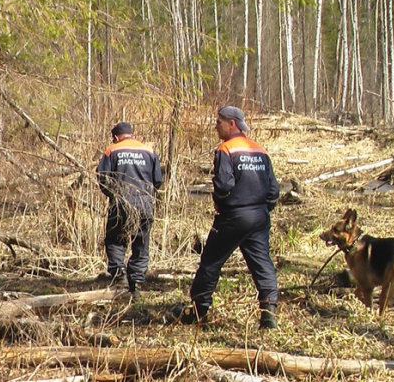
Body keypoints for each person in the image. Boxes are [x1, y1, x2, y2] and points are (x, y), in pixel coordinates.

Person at [173, 106, 280, 329]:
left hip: (233, 216)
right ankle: (268, 312)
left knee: (210, 262)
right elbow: (273, 190)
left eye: (219, 121)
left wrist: (221, 203)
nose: (215, 126)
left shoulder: (226, 149)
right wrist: (262, 209)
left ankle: (198, 311)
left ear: (232, 124)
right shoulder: (259, 150)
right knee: (262, 263)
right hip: (259, 216)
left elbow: (223, 185)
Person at [96, 122, 163, 299]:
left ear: (116, 137)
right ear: (131, 134)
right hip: (144, 202)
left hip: (121, 201)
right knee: (141, 241)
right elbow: (158, 180)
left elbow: (103, 178)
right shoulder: (148, 151)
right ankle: (137, 281)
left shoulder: (112, 150)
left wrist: (113, 195)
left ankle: (120, 277)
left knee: (115, 239)